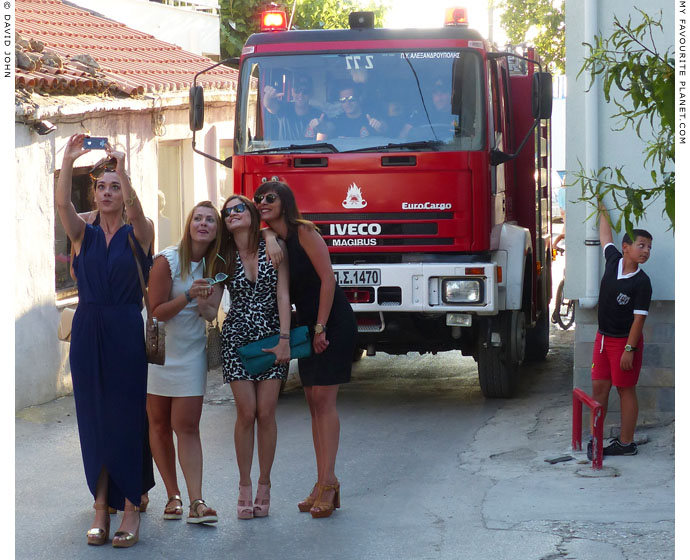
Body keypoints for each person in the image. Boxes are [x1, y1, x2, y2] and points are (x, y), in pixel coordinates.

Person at [56, 133, 155, 548]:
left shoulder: (140, 233)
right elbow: (62, 205)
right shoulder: (84, 235)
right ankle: (101, 506)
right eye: (102, 186)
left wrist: (122, 170)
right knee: (94, 419)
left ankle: (131, 505)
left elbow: (137, 213)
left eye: (115, 186)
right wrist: (68, 158)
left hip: (124, 328)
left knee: (127, 417)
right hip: (88, 328)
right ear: (94, 194)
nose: (108, 192)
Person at [255, 181, 357, 519]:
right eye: (258, 199)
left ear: (285, 201)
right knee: (313, 403)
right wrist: (269, 235)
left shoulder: (305, 232)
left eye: (270, 197)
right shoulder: (275, 239)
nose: (263, 202)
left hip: (332, 323)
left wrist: (320, 328)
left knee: (325, 402)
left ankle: (328, 484)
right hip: (309, 326)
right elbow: (256, 232)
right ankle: (323, 482)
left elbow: (328, 279)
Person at [146, 201, 225, 525]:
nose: (203, 223)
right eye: (198, 218)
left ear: (216, 230)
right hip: (161, 352)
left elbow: (209, 314)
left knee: (187, 426)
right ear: (189, 223)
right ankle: (172, 495)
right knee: (159, 425)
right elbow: (156, 311)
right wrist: (189, 297)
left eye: (210, 220)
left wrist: (206, 302)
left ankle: (197, 501)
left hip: (192, 354)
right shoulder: (167, 260)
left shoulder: (216, 265)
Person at [219, 195, 292, 520]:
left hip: (272, 338)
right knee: (246, 413)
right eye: (227, 212)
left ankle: (265, 483)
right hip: (236, 340)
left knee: (267, 412)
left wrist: (285, 340)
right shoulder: (223, 255)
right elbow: (212, 304)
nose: (233, 213)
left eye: (239, 208)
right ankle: (244, 485)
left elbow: (283, 293)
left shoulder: (273, 247)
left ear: (250, 213)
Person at [587, 202, 653, 460]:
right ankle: (596, 438)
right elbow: (606, 236)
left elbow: (638, 321)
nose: (646, 251)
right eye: (641, 245)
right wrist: (602, 208)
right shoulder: (613, 259)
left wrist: (629, 349)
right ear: (625, 248)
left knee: (625, 390)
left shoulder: (642, 282)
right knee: (599, 388)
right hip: (601, 339)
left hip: (625, 343)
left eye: (649, 247)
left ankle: (626, 443)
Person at [316, 83, 387, 140]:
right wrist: (322, 129)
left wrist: (381, 127)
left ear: (359, 98)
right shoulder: (338, 120)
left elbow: (385, 129)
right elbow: (328, 130)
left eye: (351, 99)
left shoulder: (371, 117)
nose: (347, 103)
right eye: (343, 100)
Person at [263, 76, 324, 141]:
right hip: (284, 150)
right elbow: (269, 105)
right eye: (297, 90)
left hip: (308, 151)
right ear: (292, 91)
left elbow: (328, 131)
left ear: (311, 93)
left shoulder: (318, 115)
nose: (301, 94)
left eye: (305, 91)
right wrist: (268, 96)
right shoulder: (283, 108)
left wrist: (322, 129)